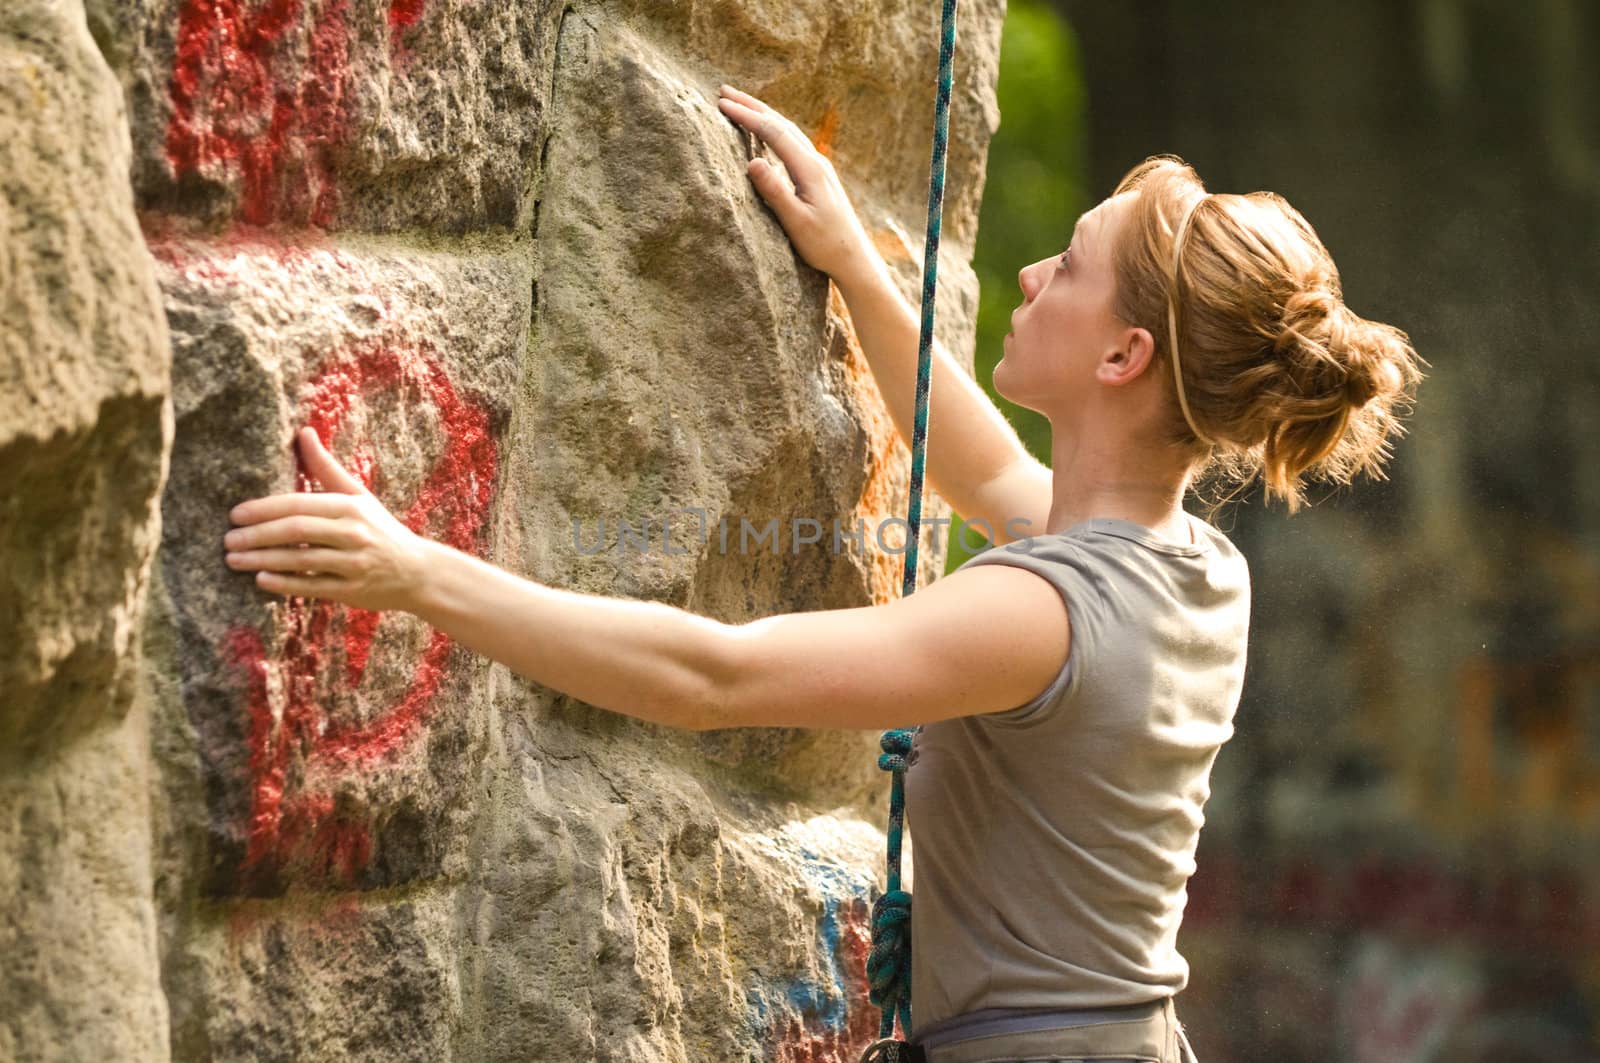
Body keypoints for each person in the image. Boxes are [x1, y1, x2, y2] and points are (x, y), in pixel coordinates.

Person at [222, 85, 1424, 1063]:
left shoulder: (1041, 614)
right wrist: (850, 260)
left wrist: (417, 573)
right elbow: (990, 467)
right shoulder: (1188, 567)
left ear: (1123, 353)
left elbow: (713, 675)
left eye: (1066, 265)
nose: (1027, 278)